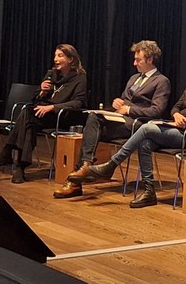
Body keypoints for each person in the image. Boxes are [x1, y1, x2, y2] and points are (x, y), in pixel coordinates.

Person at [66, 55, 186, 208]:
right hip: (176, 128)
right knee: (145, 143)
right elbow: (176, 107)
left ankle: (112, 164)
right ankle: (149, 191)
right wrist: (176, 114)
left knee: (147, 128)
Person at [54, 40, 171, 199]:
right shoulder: (134, 78)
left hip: (139, 124)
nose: (134, 63)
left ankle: (78, 177)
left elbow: (157, 111)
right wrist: (118, 103)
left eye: (138, 60)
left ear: (150, 60)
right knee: (93, 118)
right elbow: (125, 100)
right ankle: (85, 167)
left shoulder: (161, 81)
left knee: (91, 131)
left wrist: (128, 109)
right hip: (122, 120)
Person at [0, 44, 87, 183]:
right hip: (43, 114)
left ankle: (9, 152)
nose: (55, 59)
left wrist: (52, 107)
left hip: (63, 116)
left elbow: (78, 102)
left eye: (60, 56)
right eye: (55, 56)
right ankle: (20, 167)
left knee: (27, 114)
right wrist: (41, 91)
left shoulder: (80, 77)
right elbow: (35, 99)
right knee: (29, 122)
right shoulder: (51, 74)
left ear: (70, 59)